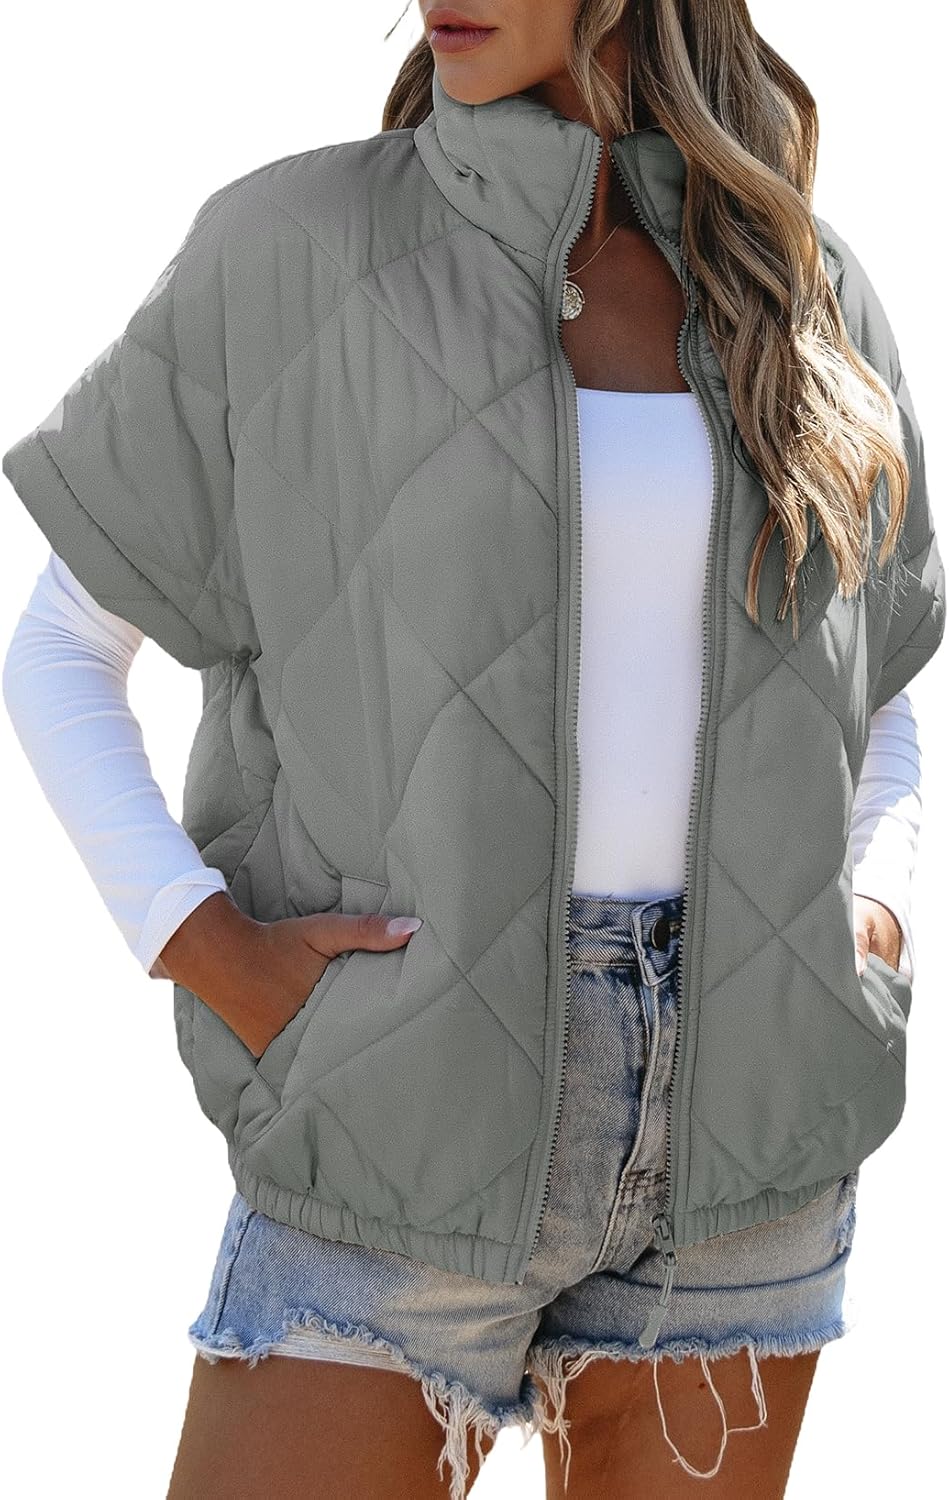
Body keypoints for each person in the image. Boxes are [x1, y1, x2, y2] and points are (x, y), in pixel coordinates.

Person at [1, 3, 942, 1497]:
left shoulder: (800, 287)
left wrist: (869, 919)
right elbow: (60, 644)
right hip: (398, 1106)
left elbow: (877, 681)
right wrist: (205, 947)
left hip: (748, 1145)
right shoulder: (292, 248)